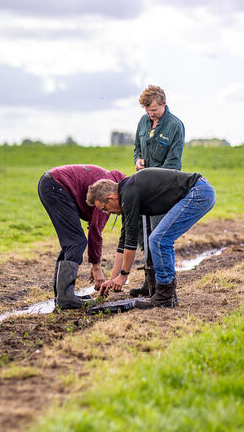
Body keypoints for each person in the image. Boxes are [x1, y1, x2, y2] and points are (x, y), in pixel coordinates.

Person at [86, 168, 215, 308]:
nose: (107, 213)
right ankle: (167, 293)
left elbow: (131, 242)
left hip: (198, 193)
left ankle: (165, 296)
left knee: (158, 239)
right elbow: (124, 240)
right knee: (159, 239)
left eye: (104, 208)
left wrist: (124, 275)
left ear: (110, 198)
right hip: (199, 191)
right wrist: (113, 279)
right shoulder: (126, 193)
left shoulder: (128, 194)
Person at [37, 165, 126, 309]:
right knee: (76, 242)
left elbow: (93, 227)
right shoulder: (107, 193)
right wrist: (96, 267)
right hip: (56, 186)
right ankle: (66, 299)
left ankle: (63, 296)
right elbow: (95, 230)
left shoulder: (109, 184)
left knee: (71, 242)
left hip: (51, 183)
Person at [130, 85, 185, 297]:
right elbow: (137, 147)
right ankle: (148, 283)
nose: (150, 114)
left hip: (163, 190)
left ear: (163, 103)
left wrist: (150, 174)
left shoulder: (175, 126)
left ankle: (165, 286)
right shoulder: (143, 122)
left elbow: (173, 164)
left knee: (158, 237)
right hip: (143, 187)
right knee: (144, 235)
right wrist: (137, 160)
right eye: (147, 110)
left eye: (153, 110)